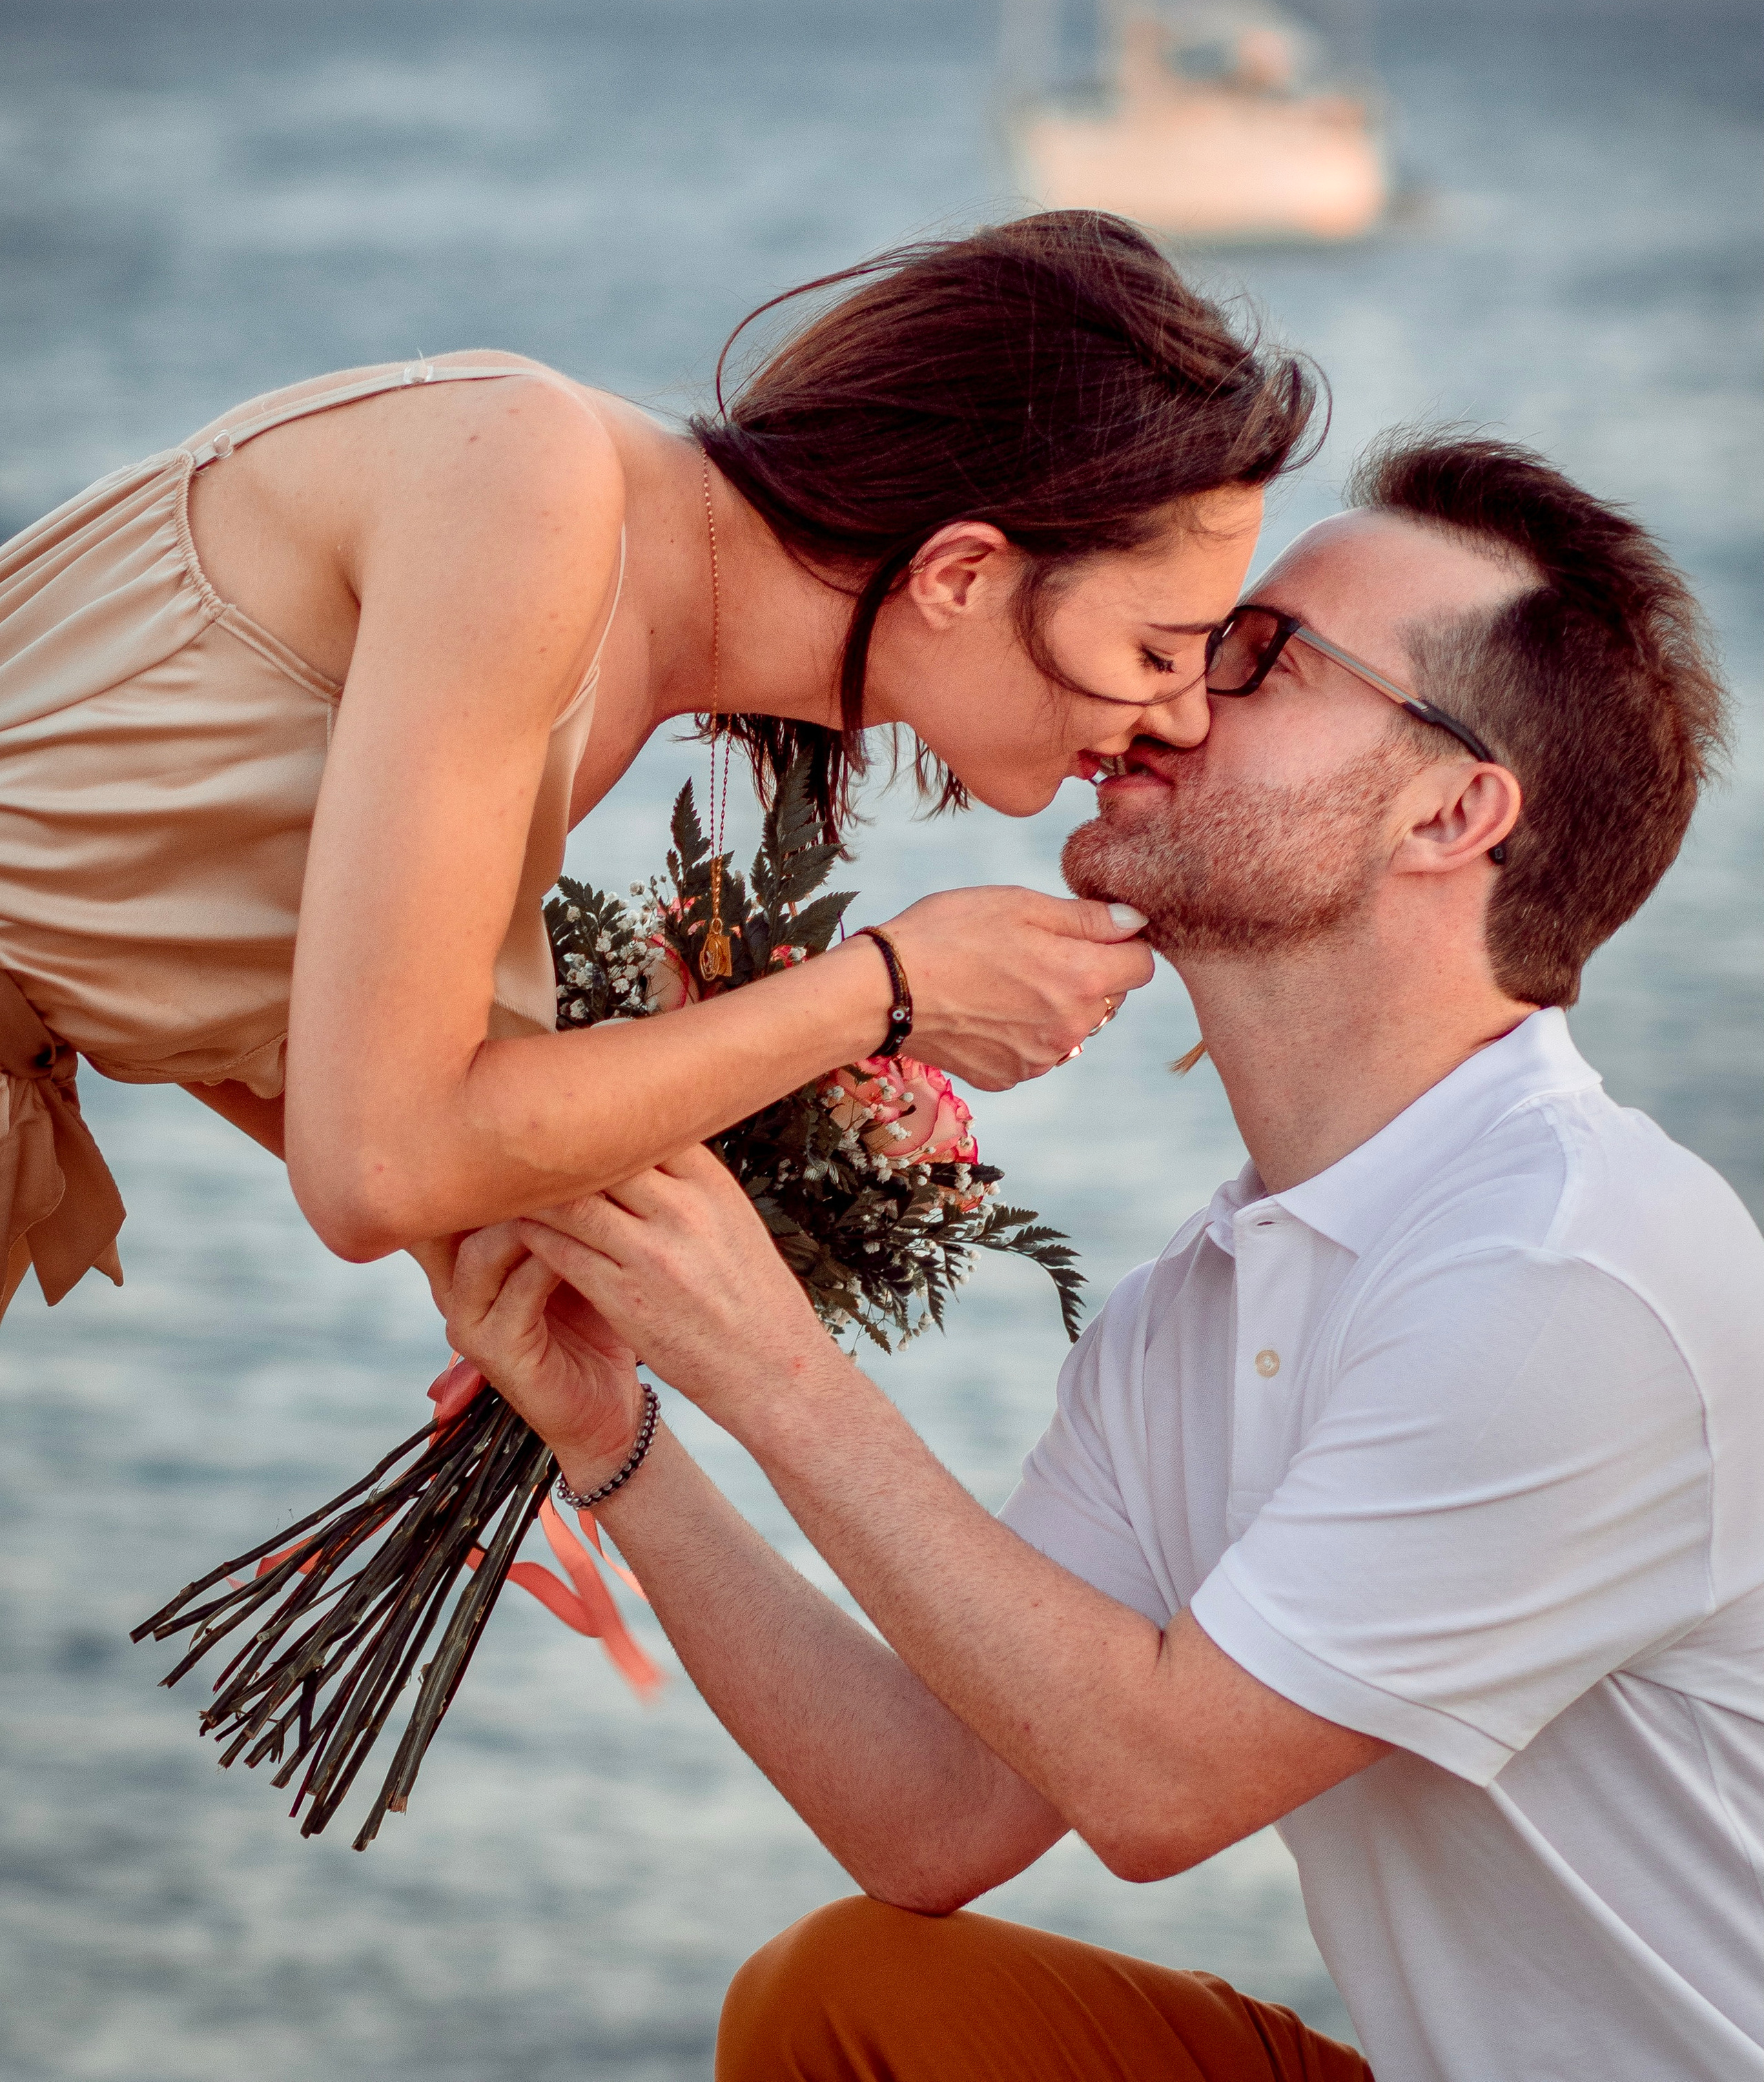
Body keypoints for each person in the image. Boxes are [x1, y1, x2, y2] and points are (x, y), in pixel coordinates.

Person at [435, 432, 1761, 2082]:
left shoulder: (1569, 1277)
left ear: (1451, 810)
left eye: (1259, 659)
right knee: (847, 1995)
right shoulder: (1204, 1298)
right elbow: (935, 1817)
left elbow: (1155, 1789)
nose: (1169, 702)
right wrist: (611, 1434)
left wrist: (765, 1357)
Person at [0, 211, 1318, 1320]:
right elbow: (376, 1166)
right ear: (962, 573)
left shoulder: (620, 617)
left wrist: (510, 1265)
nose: (1185, 720)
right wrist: (888, 991)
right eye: (1159, 651)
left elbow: (210, 962)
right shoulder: (531, 492)